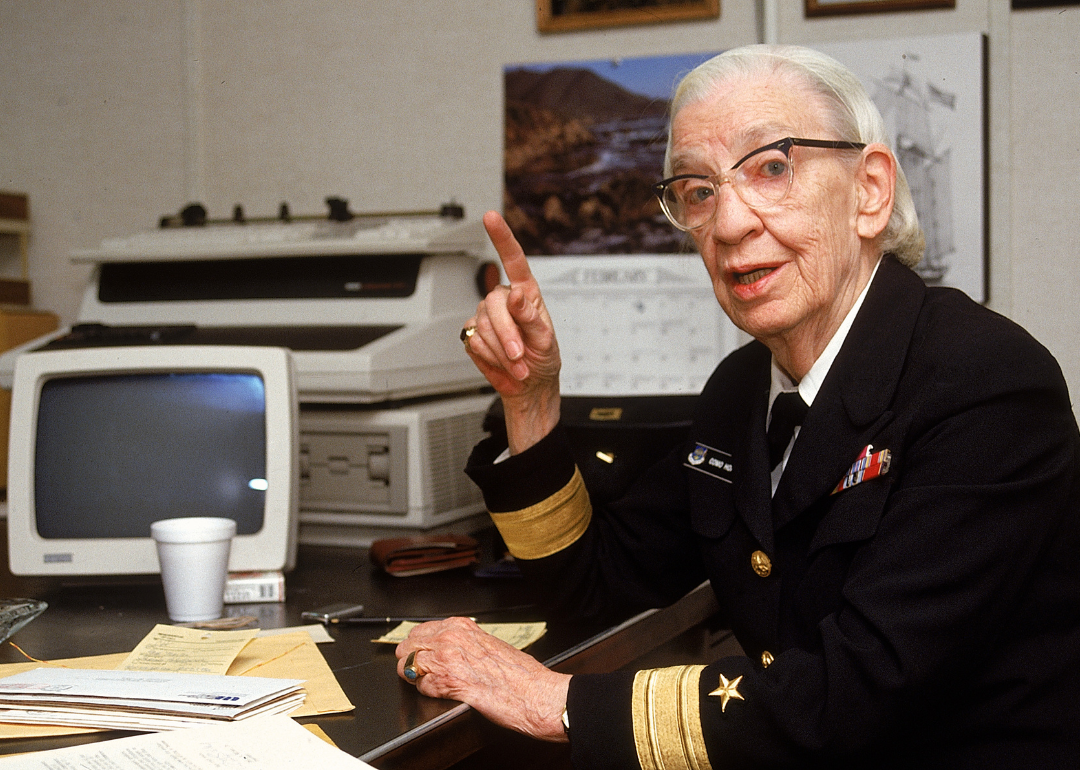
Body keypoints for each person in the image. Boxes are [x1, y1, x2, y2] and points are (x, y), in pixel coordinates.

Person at [395, 44, 1080, 768]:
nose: (727, 225)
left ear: (870, 190)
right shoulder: (741, 389)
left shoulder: (984, 381)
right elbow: (594, 586)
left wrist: (551, 702)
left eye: (771, 167)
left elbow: (855, 691)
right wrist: (531, 402)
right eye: (696, 190)